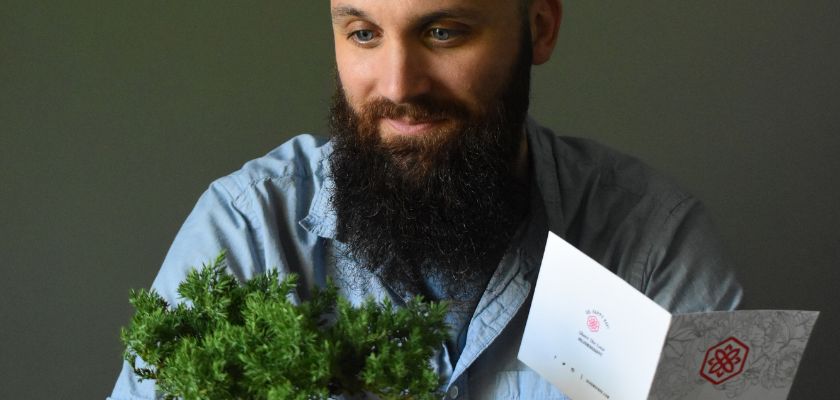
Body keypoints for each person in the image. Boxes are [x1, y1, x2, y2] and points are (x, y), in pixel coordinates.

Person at [109, 0, 742, 398]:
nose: (398, 85)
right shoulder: (247, 231)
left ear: (539, 27)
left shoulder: (652, 243)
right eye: (362, 33)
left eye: (443, 32)